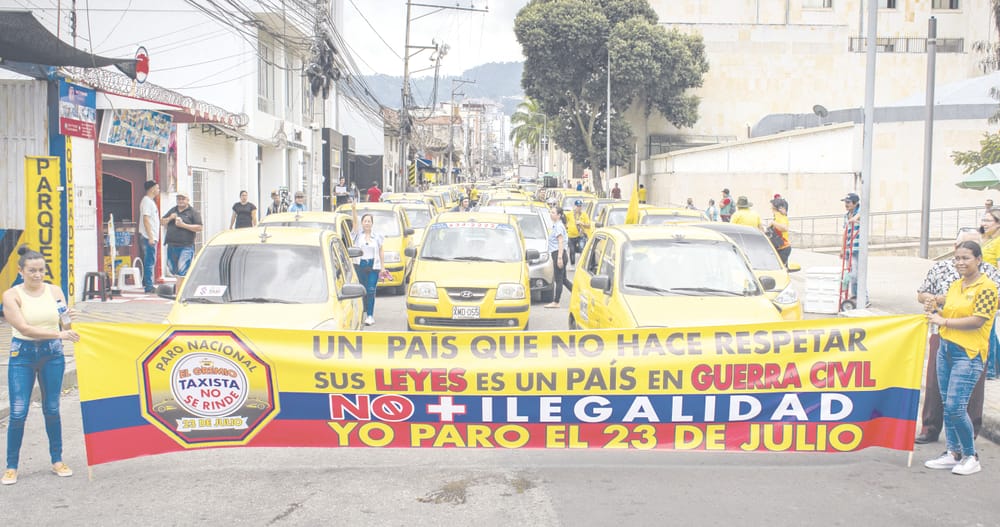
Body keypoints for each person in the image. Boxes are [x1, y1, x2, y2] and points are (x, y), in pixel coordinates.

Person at [1, 246, 80, 485]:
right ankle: (11, 466)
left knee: (52, 409)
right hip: (22, 354)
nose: (37, 275)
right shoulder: (11, 295)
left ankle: (57, 460)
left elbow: (64, 325)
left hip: (53, 354)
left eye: (41, 270)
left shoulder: (54, 291)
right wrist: (59, 335)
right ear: (21, 271)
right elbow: (23, 328)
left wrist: (68, 319)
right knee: (17, 412)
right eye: (32, 270)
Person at [915, 230, 999, 445]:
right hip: (944, 340)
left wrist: (944, 320)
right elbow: (926, 295)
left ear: (978, 257)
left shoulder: (988, 280)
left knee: (965, 395)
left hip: (971, 344)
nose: (961, 261)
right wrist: (933, 305)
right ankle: (942, 439)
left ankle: (967, 444)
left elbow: (979, 318)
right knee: (937, 388)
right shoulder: (951, 280)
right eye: (959, 255)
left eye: (967, 255)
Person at [350, 199, 385, 326]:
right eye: (365, 221)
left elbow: (381, 251)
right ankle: (363, 311)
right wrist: (354, 209)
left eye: (369, 221)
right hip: (360, 265)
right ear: (362, 223)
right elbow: (354, 223)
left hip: (373, 266)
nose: (367, 223)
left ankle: (370, 315)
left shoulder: (377, 237)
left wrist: (382, 267)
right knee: (362, 290)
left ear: (372, 223)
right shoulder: (357, 235)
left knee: (371, 289)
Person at [160, 194, 203, 277]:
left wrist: (183, 225)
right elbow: (162, 222)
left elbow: (199, 227)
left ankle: (180, 288)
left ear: (188, 200)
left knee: (182, 270)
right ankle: (178, 286)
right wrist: (170, 218)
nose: (180, 201)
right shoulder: (173, 210)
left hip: (186, 246)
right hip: (171, 245)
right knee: (172, 269)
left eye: (183, 199)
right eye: (178, 199)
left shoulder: (193, 212)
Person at [545, 206, 571, 308]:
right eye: (551, 212)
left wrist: (559, 258)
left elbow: (561, 241)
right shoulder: (556, 225)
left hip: (559, 254)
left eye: (553, 212)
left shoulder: (559, 226)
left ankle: (556, 302)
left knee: (559, 280)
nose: (551, 214)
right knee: (563, 279)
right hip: (559, 253)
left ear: (559, 215)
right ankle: (577, 293)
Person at [138, 180, 160, 293]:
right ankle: (149, 286)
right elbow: (146, 220)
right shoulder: (147, 201)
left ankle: (148, 284)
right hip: (148, 237)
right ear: (152, 189)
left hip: (150, 237)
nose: (158, 190)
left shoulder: (150, 201)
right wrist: (151, 237)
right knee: (149, 262)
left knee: (150, 261)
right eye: (157, 188)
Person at [565, 199, 591, 267]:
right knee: (572, 250)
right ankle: (572, 264)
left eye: (580, 206)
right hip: (571, 236)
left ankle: (581, 265)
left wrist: (581, 223)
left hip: (581, 236)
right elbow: (564, 221)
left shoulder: (584, 215)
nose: (578, 208)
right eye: (577, 206)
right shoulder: (570, 214)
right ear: (574, 206)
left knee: (582, 249)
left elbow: (588, 225)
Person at [769, 197, 791, 266]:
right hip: (780, 248)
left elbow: (785, 228)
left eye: (772, 208)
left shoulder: (780, 216)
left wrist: (773, 223)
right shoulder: (780, 216)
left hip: (783, 248)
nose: (771, 210)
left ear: (775, 208)